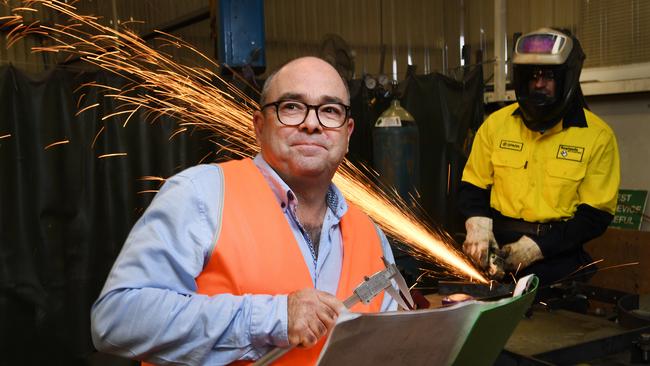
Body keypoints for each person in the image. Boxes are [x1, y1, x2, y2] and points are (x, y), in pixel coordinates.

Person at [90, 56, 398, 365]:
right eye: (292, 107)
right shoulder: (201, 196)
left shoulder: (371, 236)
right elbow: (117, 319)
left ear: (347, 134)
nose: (312, 123)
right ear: (259, 126)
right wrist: (273, 317)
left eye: (330, 110)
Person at [459, 28, 620, 288]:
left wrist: (537, 248)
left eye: (548, 76)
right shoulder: (495, 125)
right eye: (532, 77)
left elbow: (593, 217)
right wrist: (477, 226)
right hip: (497, 257)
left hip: (557, 262)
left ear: (567, 79)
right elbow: (472, 187)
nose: (539, 84)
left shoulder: (598, 137)